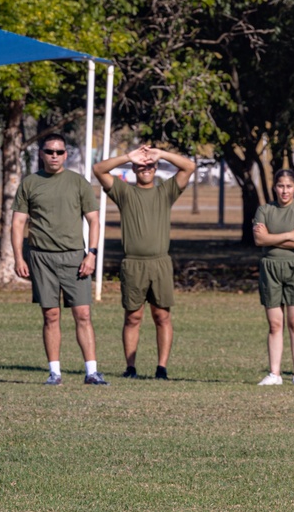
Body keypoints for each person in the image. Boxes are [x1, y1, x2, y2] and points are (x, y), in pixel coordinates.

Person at [92, 145, 196, 380]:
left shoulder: (165, 191)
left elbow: (189, 167)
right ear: (133, 168)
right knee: (133, 317)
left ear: (156, 168)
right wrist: (129, 156)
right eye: (140, 165)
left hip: (160, 263)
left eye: (150, 165)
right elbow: (98, 169)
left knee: (162, 316)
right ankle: (130, 368)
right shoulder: (124, 192)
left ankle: (162, 368)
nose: (146, 168)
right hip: (133, 264)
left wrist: (161, 154)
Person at [11, 134, 108, 385]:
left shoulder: (78, 183)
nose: (54, 156)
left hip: (75, 257)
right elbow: (18, 222)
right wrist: (19, 258)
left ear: (66, 155)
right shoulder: (29, 183)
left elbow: (94, 220)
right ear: (41, 154)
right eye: (49, 151)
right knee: (50, 315)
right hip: (41, 258)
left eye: (59, 152)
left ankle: (92, 372)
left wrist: (91, 254)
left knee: (83, 314)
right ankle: (54, 372)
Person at [252, 168, 294, 386]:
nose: (284, 191)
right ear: (274, 187)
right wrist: (288, 234)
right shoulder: (265, 210)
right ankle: (274, 374)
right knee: (274, 324)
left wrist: (270, 237)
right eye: (280, 186)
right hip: (270, 268)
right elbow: (259, 240)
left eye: (288, 186)